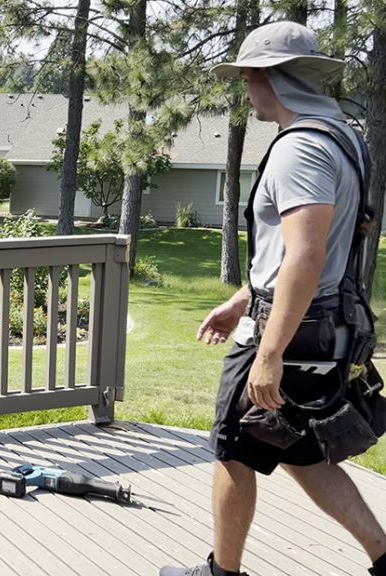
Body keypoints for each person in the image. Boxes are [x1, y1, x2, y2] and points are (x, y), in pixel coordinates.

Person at [161, 21, 386, 576]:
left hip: (288, 334)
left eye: (246, 76)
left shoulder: (300, 149)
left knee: (234, 448)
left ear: (267, 77)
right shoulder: (341, 137)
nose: (244, 88)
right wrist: (242, 300)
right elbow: (306, 254)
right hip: (326, 327)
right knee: (298, 449)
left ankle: (222, 573)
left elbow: (307, 256)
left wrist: (268, 352)